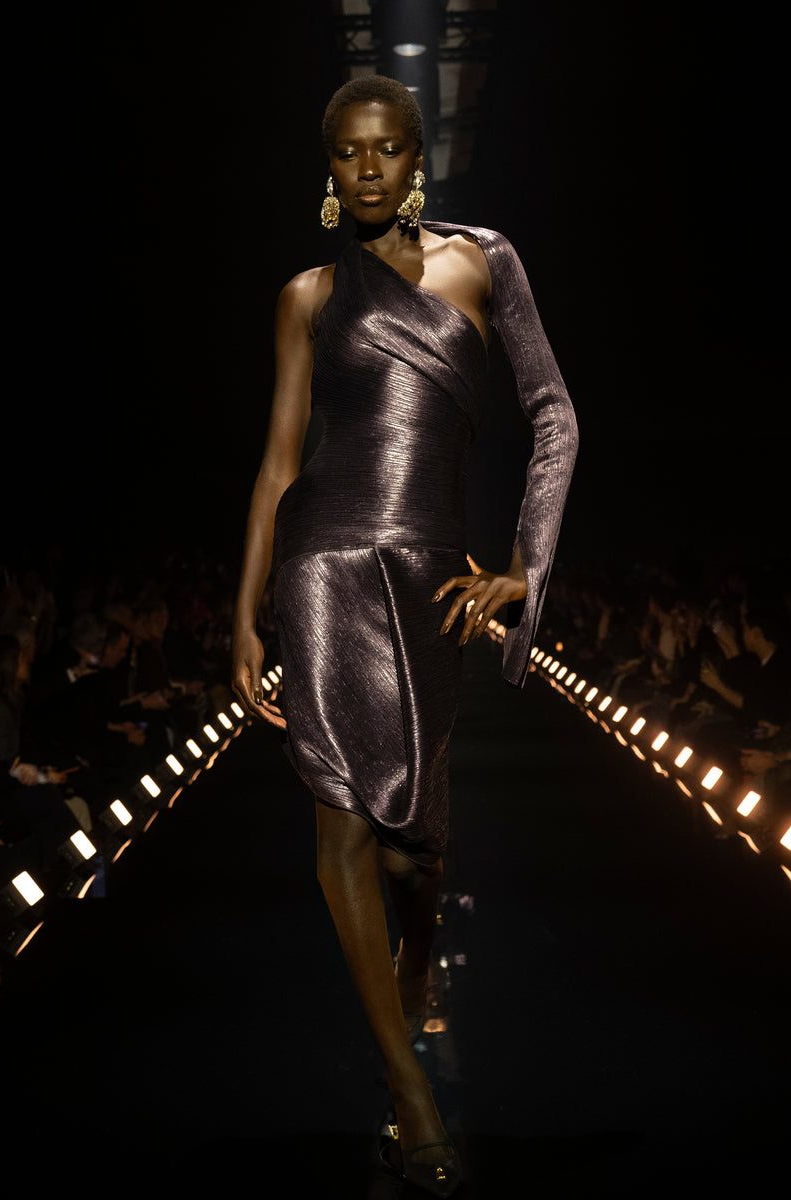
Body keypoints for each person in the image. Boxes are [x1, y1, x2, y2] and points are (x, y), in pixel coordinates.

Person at [231, 76, 578, 1196]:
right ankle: (410, 1094)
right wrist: (245, 612)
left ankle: (415, 968)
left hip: (431, 578)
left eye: (386, 149)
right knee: (340, 828)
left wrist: (526, 565)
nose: (368, 168)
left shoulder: (485, 263)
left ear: (416, 158)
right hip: (323, 568)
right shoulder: (305, 296)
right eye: (348, 152)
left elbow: (554, 414)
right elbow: (278, 463)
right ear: (329, 168)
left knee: (417, 848)